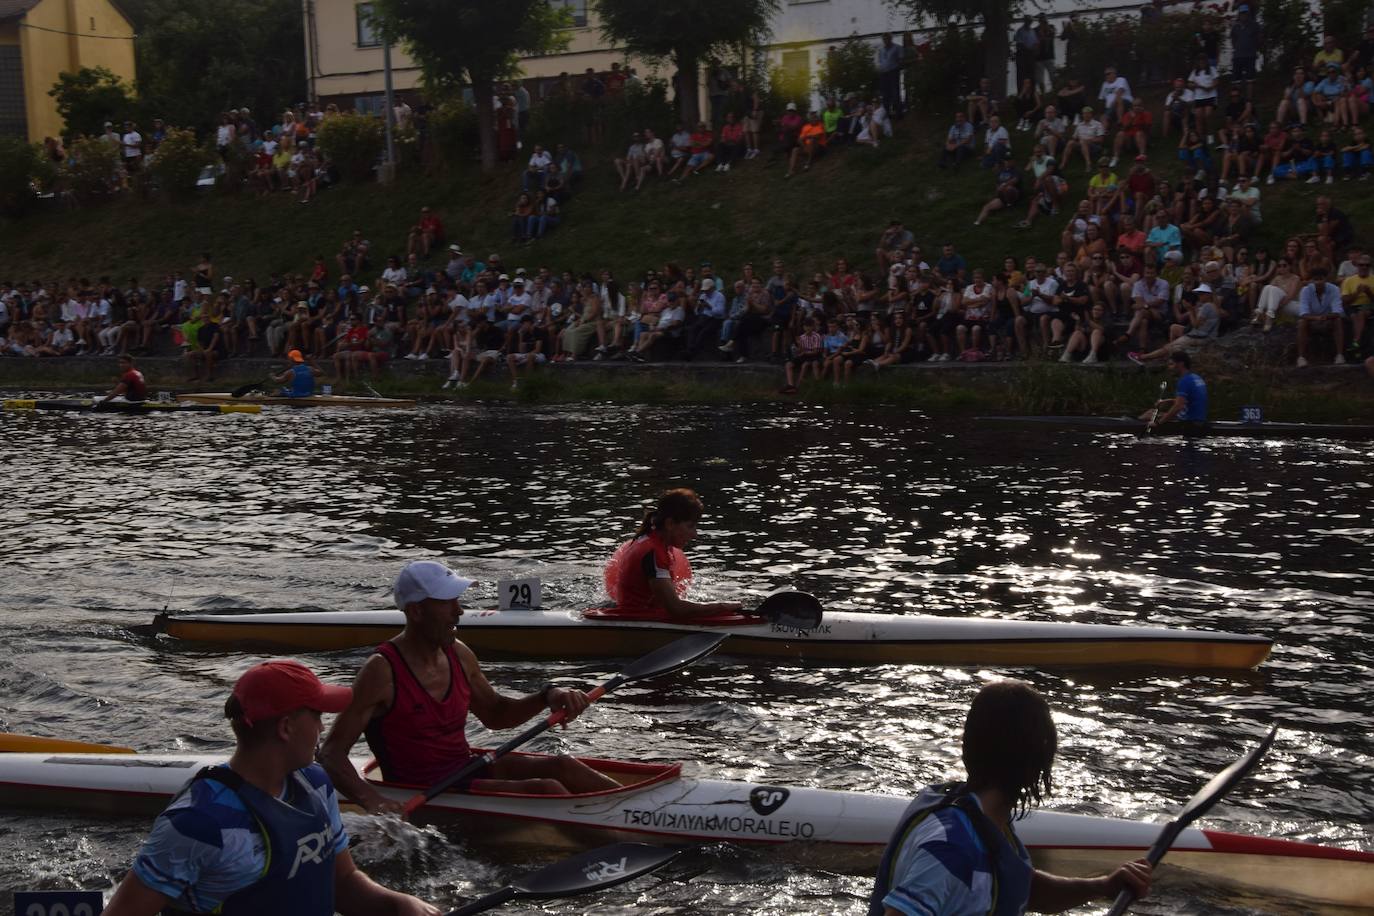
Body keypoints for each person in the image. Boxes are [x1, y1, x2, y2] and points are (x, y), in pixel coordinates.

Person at [102, 660, 438, 916]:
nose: (322, 727)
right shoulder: (198, 823)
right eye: (316, 715)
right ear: (286, 727)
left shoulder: (316, 783)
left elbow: (344, 882)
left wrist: (399, 904)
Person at [319, 560, 619, 810]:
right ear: (416, 612)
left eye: (457, 601)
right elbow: (331, 753)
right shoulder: (381, 671)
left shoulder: (459, 654)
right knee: (546, 789)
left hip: (463, 769)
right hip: (426, 791)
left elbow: (497, 714)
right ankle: (622, 834)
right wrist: (373, 801)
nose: (459, 611)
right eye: (447, 602)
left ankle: (632, 809)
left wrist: (547, 696)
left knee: (563, 766)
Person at [868, 680, 1151, 916]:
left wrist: (1102, 886)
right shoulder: (950, 848)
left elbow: (1020, 888)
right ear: (1037, 764)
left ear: (969, 746)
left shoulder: (982, 820)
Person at [602, 488, 743, 620]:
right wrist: (722, 607)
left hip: (640, 616)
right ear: (670, 524)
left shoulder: (650, 538)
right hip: (638, 622)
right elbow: (676, 609)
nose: (694, 534)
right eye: (690, 526)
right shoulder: (653, 552)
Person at [1137, 349, 1208, 431]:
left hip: (1189, 422)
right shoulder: (1197, 378)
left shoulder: (1184, 381)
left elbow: (1178, 406)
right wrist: (1169, 401)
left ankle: (1134, 428)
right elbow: (1190, 400)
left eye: (1172, 364)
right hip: (1199, 420)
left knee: (1149, 414)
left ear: (1181, 364)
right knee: (1152, 412)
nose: (1169, 368)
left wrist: (1158, 423)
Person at [1296, 266, 1346, 367]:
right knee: (1301, 322)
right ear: (1311, 280)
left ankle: (1339, 355)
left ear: (1326, 279)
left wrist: (1325, 317)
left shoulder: (1334, 289)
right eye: (1315, 279)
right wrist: (1316, 318)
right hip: (1312, 321)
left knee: (1338, 320)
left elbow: (1337, 311)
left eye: (1321, 279)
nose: (1318, 282)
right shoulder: (1305, 290)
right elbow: (1303, 313)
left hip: (1329, 320)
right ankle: (1301, 357)